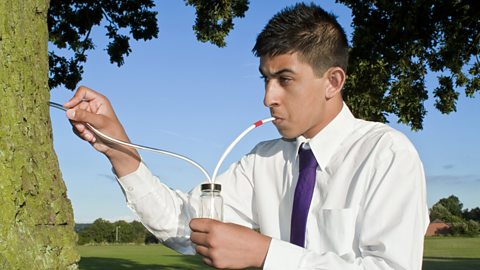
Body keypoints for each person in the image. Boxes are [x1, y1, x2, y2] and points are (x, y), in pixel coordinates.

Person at [64, 3, 429, 269]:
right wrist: (118, 149)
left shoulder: (386, 154)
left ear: (332, 81)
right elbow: (184, 225)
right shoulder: (262, 160)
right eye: (266, 79)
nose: (268, 97)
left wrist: (266, 253)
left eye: (285, 80)